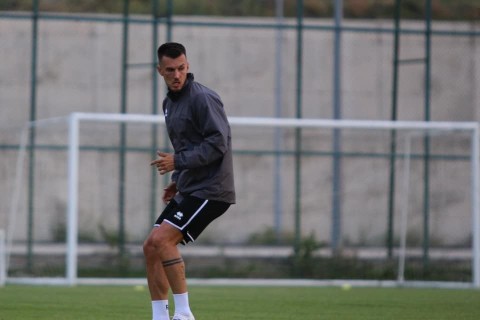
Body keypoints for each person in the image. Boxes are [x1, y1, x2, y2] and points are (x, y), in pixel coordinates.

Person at [143, 42, 236, 320]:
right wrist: (178, 180)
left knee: (162, 239)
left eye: (181, 68)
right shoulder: (169, 104)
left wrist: (178, 163)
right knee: (151, 247)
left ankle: (184, 315)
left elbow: (218, 143)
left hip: (212, 188)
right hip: (192, 186)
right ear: (160, 71)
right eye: (170, 70)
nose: (177, 75)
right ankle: (160, 317)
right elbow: (187, 146)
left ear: (188, 66)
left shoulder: (202, 98)